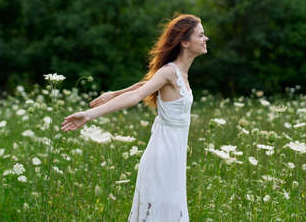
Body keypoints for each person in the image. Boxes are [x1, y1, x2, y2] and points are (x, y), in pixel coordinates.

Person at [62, 14, 209, 221]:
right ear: (185, 42)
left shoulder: (179, 74)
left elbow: (144, 85)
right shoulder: (170, 72)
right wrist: (88, 114)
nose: (206, 39)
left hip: (174, 155)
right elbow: (136, 96)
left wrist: (114, 93)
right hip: (163, 155)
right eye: (201, 35)